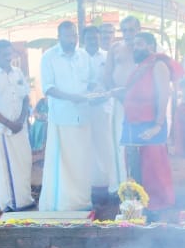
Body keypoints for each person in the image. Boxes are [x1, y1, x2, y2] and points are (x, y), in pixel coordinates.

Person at [38, 21, 95, 212]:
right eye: (68, 36)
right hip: (62, 118)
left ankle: (82, 201)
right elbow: (48, 88)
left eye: (74, 36)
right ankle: (63, 204)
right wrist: (72, 98)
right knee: (63, 163)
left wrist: (98, 93)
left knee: (82, 160)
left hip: (84, 116)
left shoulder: (84, 56)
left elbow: (91, 82)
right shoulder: (49, 57)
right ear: (59, 37)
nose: (72, 39)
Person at [122, 31, 178, 213]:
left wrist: (158, 125)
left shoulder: (158, 65)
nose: (135, 48)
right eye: (134, 45)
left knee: (154, 167)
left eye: (140, 44)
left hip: (152, 124)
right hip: (134, 124)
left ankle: (159, 208)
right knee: (135, 166)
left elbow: (164, 94)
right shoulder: (141, 66)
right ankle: (139, 205)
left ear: (151, 47)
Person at [0, 39, 34, 212]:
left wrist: (21, 120)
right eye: (4, 55)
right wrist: (9, 123)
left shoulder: (18, 73)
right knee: (6, 167)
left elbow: (26, 98)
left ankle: (25, 199)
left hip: (21, 128)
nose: (8, 58)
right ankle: (10, 203)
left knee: (24, 164)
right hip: (3, 131)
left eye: (9, 54)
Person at [82, 26, 121, 195]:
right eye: (89, 38)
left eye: (96, 37)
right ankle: (90, 184)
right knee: (86, 147)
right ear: (84, 39)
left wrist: (104, 95)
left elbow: (112, 79)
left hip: (104, 106)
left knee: (106, 145)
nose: (93, 40)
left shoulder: (107, 56)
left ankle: (110, 183)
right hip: (83, 108)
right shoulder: (78, 57)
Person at [105, 16, 142, 181]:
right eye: (124, 30)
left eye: (131, 29)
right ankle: (120, 183)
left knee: (139, 143)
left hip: (141, 103)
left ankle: (140, 182)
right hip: (119, 102)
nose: (127, 33)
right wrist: (118, 94)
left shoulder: (146, 47)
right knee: (120, 142)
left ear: (138, 30)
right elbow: (107, 75)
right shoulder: (115, 48)